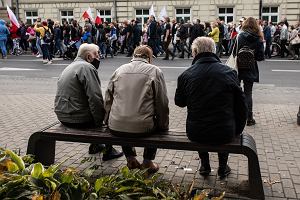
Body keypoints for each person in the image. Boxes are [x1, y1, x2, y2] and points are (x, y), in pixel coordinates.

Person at [175, 37, 247, 178]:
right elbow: (241, 105)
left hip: (196, 132)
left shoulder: (185, 75)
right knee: (222, 121)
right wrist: (238, 128)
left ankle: (205, 165)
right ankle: (222, 166)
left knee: (205, 126)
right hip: (225, 131)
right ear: (214, 51)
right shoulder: (229, 73)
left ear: (195, 52)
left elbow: (180, 102)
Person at [104, 45, 169, 173]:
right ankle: (148, 161)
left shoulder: (119, 70)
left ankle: (130, 158)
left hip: (116, 126)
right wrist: (163, 125)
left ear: (134, 56)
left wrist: (106, 120)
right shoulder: (155, 71)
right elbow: (162, 103)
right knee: (155, 124)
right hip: (143, 128)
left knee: (124, 117)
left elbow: (108, 99)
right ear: (149, 58)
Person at [54, 43, 123, 161]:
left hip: (63, 116)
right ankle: (108, 150)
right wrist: (101, 122)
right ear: (88, 57)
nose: (99, 57)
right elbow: (95, 98)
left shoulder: (71, 66)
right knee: (108, 116)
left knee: (93, 112)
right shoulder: (87, 67)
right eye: (97, 54)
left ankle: (96, 145)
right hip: (77, 118)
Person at [233, 17, 264, 126]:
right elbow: (260, 57)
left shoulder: (239, 36)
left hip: (238, 67)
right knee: (248, 93)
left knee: (236, 92)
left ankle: (236, 115)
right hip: (250, 68)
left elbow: (233, 53)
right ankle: (249, 118)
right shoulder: (258, 39)